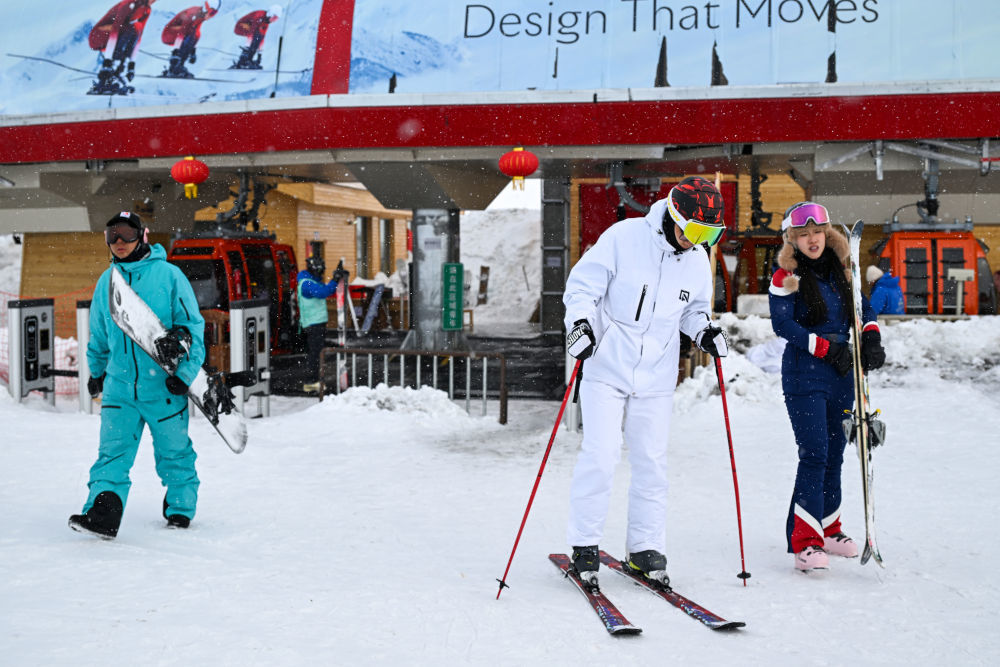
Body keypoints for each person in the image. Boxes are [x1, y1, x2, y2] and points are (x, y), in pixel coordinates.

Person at [562, 176, 731, 589]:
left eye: (709, 236)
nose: (698, 242)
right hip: (606, 368)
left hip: (656, 374)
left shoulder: (696, 259)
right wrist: (579, 325)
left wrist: (704, 331)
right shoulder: (623, 238)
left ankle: (644, 548)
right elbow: (582, 289)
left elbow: (693, 311)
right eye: (695, 231)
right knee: (601, 457)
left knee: (652, 463)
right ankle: (584, 546)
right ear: (674, 216)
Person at [69, 212, 206, 539]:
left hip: (163, 388)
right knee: (112, 454)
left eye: (127, 234)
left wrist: (184, 373)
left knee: (174, 452)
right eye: (112, 235)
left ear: (142, 236)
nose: (119, 242)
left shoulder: (169, 276)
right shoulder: (106, 283)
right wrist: (97, 371)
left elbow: (193, 329)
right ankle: (103, 513)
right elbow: (99, 335)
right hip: (120, 389)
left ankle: (180, 507)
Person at [769, 202, 886, 572]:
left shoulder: (842, 271)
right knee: (815, 452)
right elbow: (783, 325)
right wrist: (823, 348)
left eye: (817, 232)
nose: (812, 239)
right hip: (805, 372)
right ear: (792, 239)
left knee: (836, 452)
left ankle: (829, 528)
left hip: (841, 373)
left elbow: (864, 310)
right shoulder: (785, 276)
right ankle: (805, 541)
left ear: (827, 233)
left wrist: (870, 337)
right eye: (803, 234)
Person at [297, 256, 348, 392]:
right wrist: (335, 279)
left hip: (316, 323)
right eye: (320, 271)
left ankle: (314, 380)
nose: (321, 274)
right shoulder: (307, 284)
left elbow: (325, 289)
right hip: (313, 324)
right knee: (315, 354)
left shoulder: (312, 282)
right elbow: (323, 292)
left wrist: (335, 278)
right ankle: (311, 381)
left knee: (317, 352)